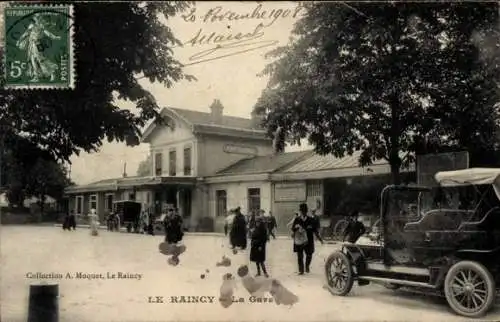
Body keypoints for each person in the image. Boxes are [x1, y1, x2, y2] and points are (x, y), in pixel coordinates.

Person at [291, 203, 324, 275]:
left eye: (304, 211)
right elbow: (292, 229)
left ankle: (307, 266)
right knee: (300, 255)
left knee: (309, 254)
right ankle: (301, 270)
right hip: (299, 240)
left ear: (306, 211)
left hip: (309, 240)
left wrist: (320, 239)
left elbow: (315, 230)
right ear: (300, 211)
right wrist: (296, 228)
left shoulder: (311, 220)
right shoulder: (297, 219)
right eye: (302, 211)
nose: (303, 212)